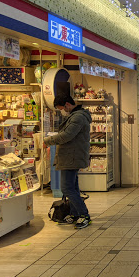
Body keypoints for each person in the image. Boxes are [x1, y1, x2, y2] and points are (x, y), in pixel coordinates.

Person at [43, 94, 92, 229]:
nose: (62, 111)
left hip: (72, 157)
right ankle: (76, 213)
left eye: (62, 109)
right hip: (71, 156)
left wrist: (48, 141)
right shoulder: (76, 116)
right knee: (73, 187)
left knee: (67, 188)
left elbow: (67, 135)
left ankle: (84, 215)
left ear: (67, 104)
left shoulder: (77, 117)